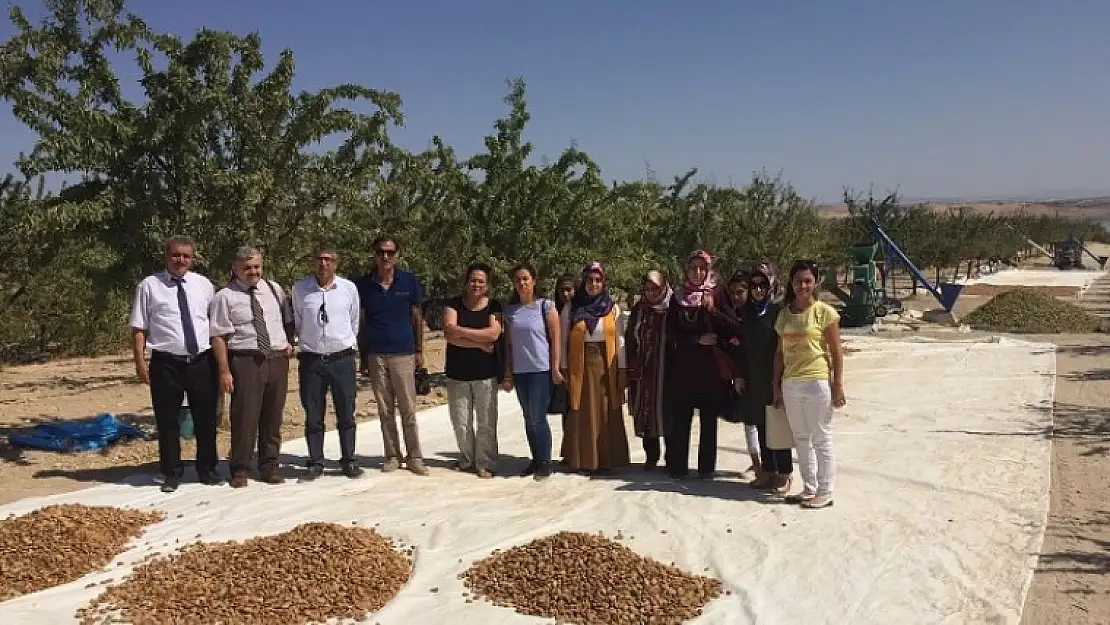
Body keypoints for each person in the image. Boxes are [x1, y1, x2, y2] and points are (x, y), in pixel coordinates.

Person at [129, 235, 222, 492]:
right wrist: (139, 362)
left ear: (192, 258)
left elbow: (214, 325)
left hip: (201, 361)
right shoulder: (149, 286)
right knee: (167, 420)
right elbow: (139, 327)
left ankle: (207, 468)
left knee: (205, 418)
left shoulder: (203, 285)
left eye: (186, 256)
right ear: (166, 256)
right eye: (176, 255)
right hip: (166, 363)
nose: (181, 260)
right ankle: (171, 472)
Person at [209, 246, 294, 489]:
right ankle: (240, 468)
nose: (253, 272)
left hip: (277, 361)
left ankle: (270, 466)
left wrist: (288, 343)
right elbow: (218, 336)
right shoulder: (225, 297)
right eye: (247, 268)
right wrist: (224, 371)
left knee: (272, 417)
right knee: (245, 417)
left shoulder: (274, 290)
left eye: (256, 266)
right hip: (245, 361)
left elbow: (286, 321)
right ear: (235, 269)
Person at [774, 260, 846, 510]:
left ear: (815, 282)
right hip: (790, 384)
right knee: (801, 438)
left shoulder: (824, 312)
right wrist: (776, 386)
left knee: (821, 438)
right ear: (791, 283)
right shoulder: (784, 314)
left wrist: (837, 384)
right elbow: (780, 354)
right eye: (798, 281)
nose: (802, 286)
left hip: (816, 382)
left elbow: (836, 351)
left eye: (807, 281)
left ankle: (826, 491)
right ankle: (810, 487)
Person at [664, 250, 742, 480]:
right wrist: (696, 340)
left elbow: (733, 327)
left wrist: (713, 311)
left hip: (710, 371)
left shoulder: (717, 296)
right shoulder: (677, 298)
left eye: (702, 268)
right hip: (684, 368)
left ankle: (706, 469)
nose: (697, 272)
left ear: (708, 270)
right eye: (692, 268)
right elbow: (671, 332)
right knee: (681, 419)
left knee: (709, 420)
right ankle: (678, 467)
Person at [355, 235, 428, 475]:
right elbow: (362, 322)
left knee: (408, 408)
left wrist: (419, 350)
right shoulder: (363, 285)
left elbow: (416, 317)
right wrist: (364, 355)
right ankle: (392, 455)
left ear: (397, 255)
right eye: (380, 252)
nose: (385, 256)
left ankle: (415, 456)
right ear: (374, 255)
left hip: (403, 353)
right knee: (385, 409)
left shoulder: (408, 281)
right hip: (376, 354)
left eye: (390, 252)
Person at [291, 244, 363, 481]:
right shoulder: (300, 290)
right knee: (313, 413)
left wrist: (345, 344)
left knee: (346, 412)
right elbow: (299, 322)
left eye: (328, 259)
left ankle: (349, 460)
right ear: (313, 262)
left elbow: (353, 321)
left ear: (336, 263)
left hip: (342, 359)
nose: (323, 264)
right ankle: (315, 461)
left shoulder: (348, 289)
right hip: (312, 361)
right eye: (319, 259)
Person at [560, 262, 630, 473]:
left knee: (607, 411)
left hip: (607, 368)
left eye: (598, 280)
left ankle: (608, 459)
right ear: (584, 281)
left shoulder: (612, 308)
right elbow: (563, 340)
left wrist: (623, 369)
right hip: (580, 368)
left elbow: (620, 341)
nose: (594, 284)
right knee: (582, 412)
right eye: (590, 280)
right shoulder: (572, 308)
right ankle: (584, 460)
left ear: (604, 282)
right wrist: (563, 367)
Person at [502, 262, 563, 480]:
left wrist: (555, 367)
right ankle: (535, 459)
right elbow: (508, 346)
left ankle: (545, 463)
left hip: (540, 370)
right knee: (528, 418)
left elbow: (556, 339)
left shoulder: (545, 306)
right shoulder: (510, 311)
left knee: (538, 418)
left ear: (534, 281)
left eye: (525, 278)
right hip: (521, 372)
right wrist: (508, 373)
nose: (522, 283)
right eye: (518, 279)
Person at [443, 262, 502, 479]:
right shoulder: (453, 304)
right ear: (466, 282)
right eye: (472, 280)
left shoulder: (494, 306)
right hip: (457, 374)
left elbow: (493, 335)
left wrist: (461, 331)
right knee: (461, 422)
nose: (476, 284)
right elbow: (449, 334)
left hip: (485, 374)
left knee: (486, 422)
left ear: (487, 285)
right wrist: (478, 343)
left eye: (481, 281)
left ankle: (486, 462)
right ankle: (467, 459)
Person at [741, 263, 793, 493]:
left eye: (763, 285)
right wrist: (740, 375)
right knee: (761, 424)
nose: (758, 290)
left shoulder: (778, 313)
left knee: (777, 425)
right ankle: (768, 470)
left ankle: (784, 473)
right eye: (754, 286)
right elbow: (743, 348)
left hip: (774, 377)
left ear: (771, 285)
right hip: (754, 377)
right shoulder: (749, 313)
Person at [625, 269, 672, 470]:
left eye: (655, 288)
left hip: (667, 370)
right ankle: (651, 456)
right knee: (645, 412)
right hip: (643, 370)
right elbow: (629, 338)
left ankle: (672, 458)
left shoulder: (673, 307)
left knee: (668, 412)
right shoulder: (640, 309)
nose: (652, 292)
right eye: (648, 288)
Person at [721, 269, 761, 475]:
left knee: (764, 422)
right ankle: (756, 461)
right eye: (733, 293)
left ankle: (774, 468)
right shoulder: (732, 313)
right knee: (749, 421)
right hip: (742, 375)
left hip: (760, 374)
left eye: (740, 292)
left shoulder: (758, 314)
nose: (736, 297)